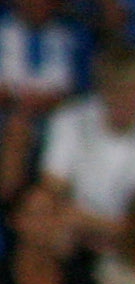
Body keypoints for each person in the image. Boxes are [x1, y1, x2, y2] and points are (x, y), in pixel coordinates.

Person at [37, 43, 135, 249]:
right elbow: (52, 192)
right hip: (83, 241)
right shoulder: (69, 119)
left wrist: (120, 231)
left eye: (134, 91)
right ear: (101, 88)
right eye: (116, 91)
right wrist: (120, 230)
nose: (125, 99)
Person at [0, 0, 81, 200]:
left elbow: (78, 91)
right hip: (8, 112)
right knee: (18, 129)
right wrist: (17, 99)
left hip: (54, 116)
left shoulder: (71, 34)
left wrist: (46, 101)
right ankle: (10, 205)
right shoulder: (4, 28)